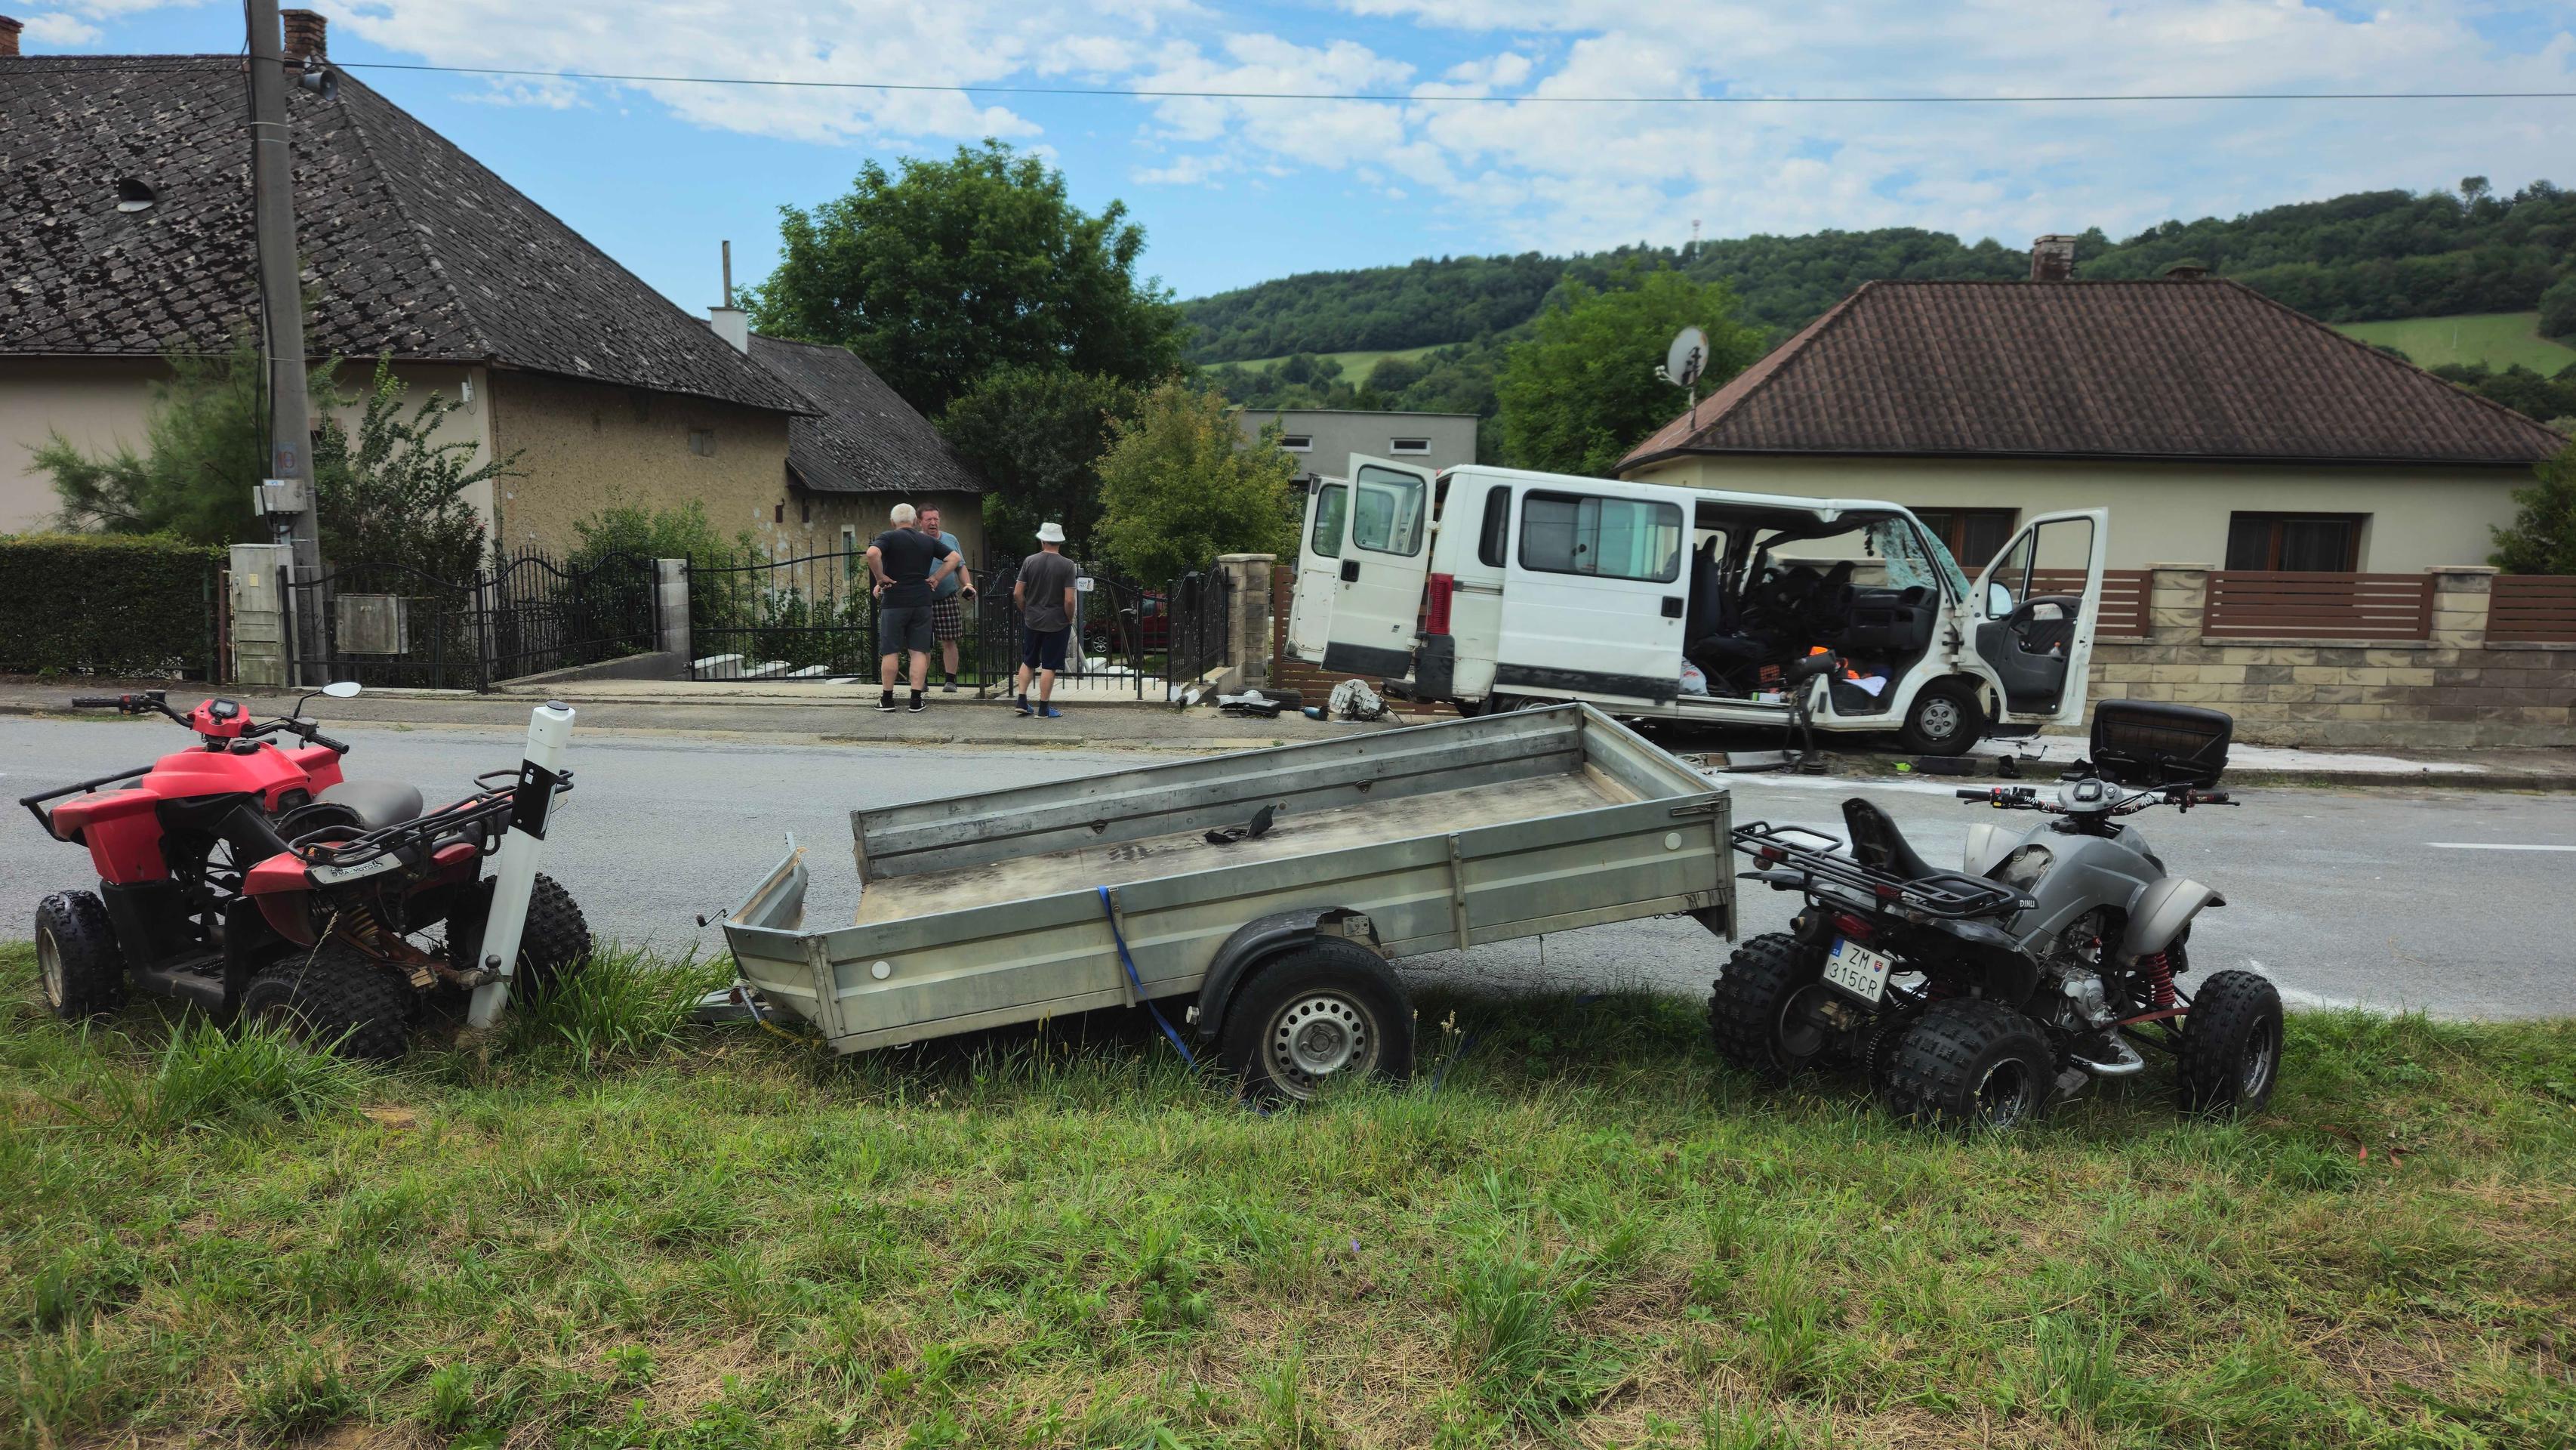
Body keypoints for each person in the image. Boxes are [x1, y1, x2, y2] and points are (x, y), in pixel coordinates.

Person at [866, 503, 961, 714]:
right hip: (922, 601)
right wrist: (936, 578)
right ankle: (916, 700)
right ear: (916, 521)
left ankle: (887, 700)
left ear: (892, 522)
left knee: (891, 651)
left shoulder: (888, 537)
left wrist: (880, 577)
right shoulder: (927, 540)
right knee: (919, 651)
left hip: (894, 601)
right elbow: (954, 558)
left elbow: (872, 554)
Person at [1012, 522, 1080, 719]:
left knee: (1028, 660)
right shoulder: (1067, 565)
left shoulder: (1030, 561)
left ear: (1042, 540)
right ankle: (1043, 708)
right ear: (1060, 542)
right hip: (1057, 622)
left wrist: (1026, 610)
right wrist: (1069, 617)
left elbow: (1017, 593)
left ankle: (1022, 701)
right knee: (1049, 665)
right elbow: (1069, 599)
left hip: (1033, 620)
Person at [920, 506, 975, 692]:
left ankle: (951, 681)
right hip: (921, 599)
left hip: (947, 597)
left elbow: (960, 566)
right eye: (928, 519)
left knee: (950, 640)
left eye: (936, 519)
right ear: (920, 522)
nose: (933, 523)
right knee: (922, 643)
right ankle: (921, 681)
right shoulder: (915, 541)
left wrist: (968, 584)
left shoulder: (951, 539)